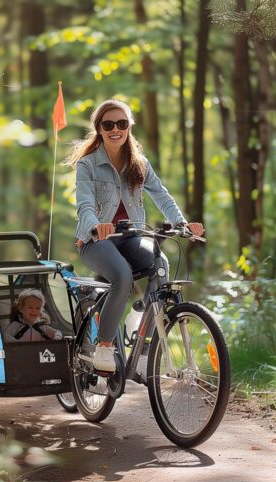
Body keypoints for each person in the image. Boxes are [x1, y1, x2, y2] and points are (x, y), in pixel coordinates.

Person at [66, 99, 204, 372]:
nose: (115, 129)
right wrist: (96, 225)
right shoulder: (88, 164)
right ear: (99, 129)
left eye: (122, 123)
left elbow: (161, 196)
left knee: (161, 266)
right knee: (122, 276)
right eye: (108, 124)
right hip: (97, 241)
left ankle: (142, 341)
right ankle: (105, 346)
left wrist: (182, 223)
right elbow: (83, 203)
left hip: (131, 236)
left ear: (129, 127)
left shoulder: (139, 163)